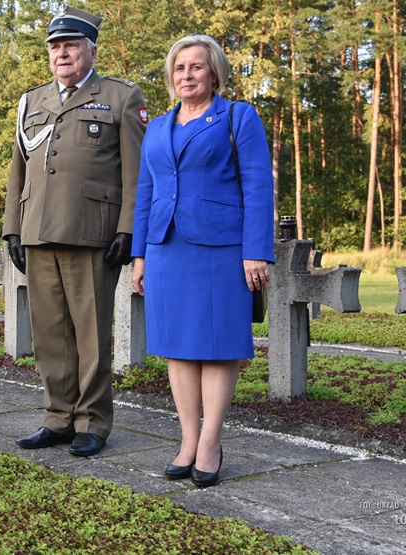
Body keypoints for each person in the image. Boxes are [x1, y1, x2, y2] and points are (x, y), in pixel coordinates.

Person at [3, 4, 148, 457]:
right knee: (49, 335)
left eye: (70, 45)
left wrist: (128, 229)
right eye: (54, 47)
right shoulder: (33, 101)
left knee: (90, 334)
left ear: (91, 50)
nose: (61, 54)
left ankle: (92, 421)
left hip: (93, 233)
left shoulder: (121, 97)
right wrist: (12, 229)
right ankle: (58, 417)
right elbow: (17, 172)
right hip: (39, 230)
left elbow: (137, 172)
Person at [130, 34, 274, 487]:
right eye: (179, 68)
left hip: (221, 248)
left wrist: (256, 251)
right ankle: (188, 440)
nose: (187, 74)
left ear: (214, 72)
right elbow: (145, 192)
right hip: (166, 248)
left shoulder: (238, 116)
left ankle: (211, 441)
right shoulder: (156, 126)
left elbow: (258, 186)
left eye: (196, 66)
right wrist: (139, 254)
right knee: (177, 346)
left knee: (217, 345)